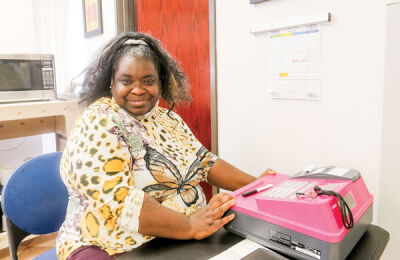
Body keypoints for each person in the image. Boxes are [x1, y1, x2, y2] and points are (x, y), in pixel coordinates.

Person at [56, 32, 275, 260]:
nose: (138, 90)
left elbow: (205, 162)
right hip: (109, 243)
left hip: (176, 235)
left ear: (161, 82)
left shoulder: (167, 119)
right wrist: (189, 224)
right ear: (111, 83)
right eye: (126, 81)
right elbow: (119, 202)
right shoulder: (99, 120)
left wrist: (260, 186)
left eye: (148, 81)